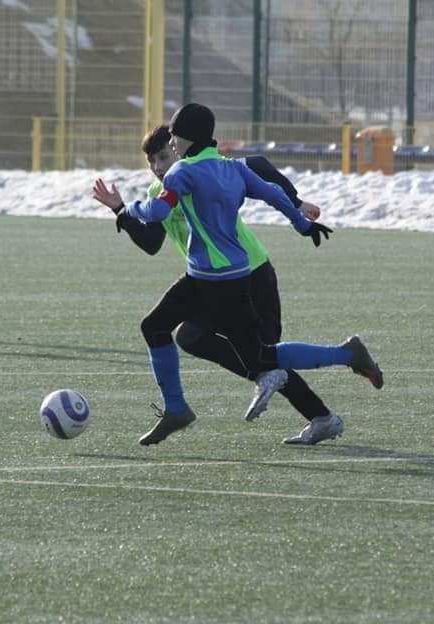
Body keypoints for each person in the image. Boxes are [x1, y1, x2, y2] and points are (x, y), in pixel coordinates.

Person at [97, 103, 384, 446]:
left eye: (165, 153)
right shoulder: (171, 185)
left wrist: (297, 205)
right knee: (177, 333)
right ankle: (178, 409)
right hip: (202, 277)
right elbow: (151, 241)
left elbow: (259, 167)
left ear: (183, 144)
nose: (158, 165)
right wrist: (121, 210)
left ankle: (342, 364)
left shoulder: (204, 171)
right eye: (152, 161)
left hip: (248, 275)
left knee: (262, 357)